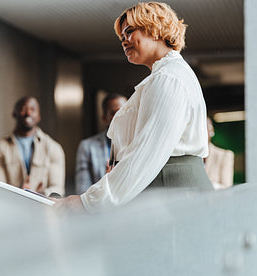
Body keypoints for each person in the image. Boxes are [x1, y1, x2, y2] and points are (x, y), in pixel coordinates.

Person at [57, 2, 213, 213]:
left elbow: (145, 153)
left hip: (173, 195)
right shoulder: (167, 74)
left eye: (129, 32)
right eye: (121, 36)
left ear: (155, 29)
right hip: (168, 195)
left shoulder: (168, 78)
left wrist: (90, 203)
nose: (124, 40)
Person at [0, 96, 65, 197]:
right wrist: (20, 193)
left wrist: (40, 194)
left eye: (33, 109)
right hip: (10, 208)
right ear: (14, 114)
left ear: (39, 116)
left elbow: (58, 189)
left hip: (43, 209)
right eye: (23, 109)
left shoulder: (53, 148)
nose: (28, 113)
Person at [75, 93, 127, 194]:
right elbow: (82, 192)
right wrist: (105, 182)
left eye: (125, 111)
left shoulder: (139, 143)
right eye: (114, 113)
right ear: (104, 118)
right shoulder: (87, 147)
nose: (121, 116)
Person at [204, 117, 234, 189]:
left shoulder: (225, 155)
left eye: (205, 128)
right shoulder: (189, 156)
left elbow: (227, 187)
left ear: (211, 131)